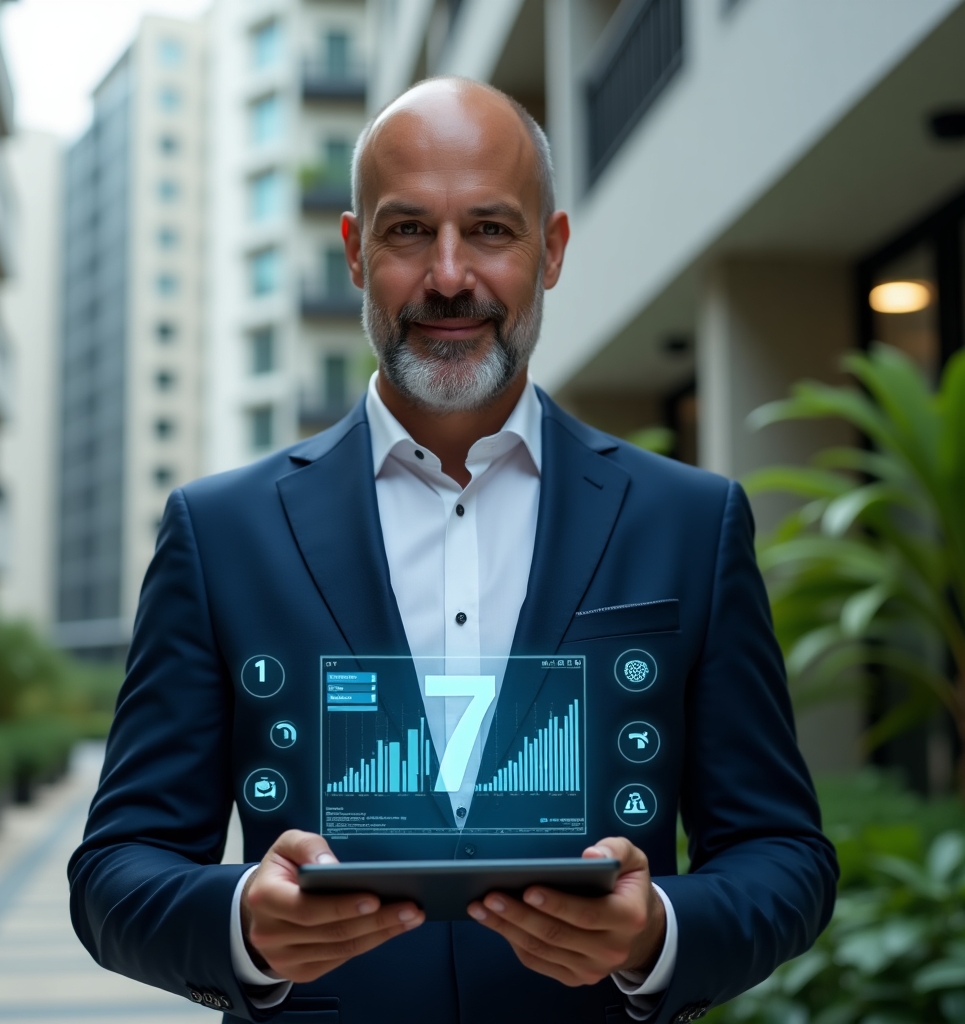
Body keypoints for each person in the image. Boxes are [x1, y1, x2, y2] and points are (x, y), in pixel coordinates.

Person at [69, 77, 837, 1024]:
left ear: (550, 250)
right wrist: (242, 923)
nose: (447, 276)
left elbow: (785, 857)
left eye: (490, 229)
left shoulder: (689, 520)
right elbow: (114, 871)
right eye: (406, 232)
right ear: (354, 253)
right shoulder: (220, 531)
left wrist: (654, 934)